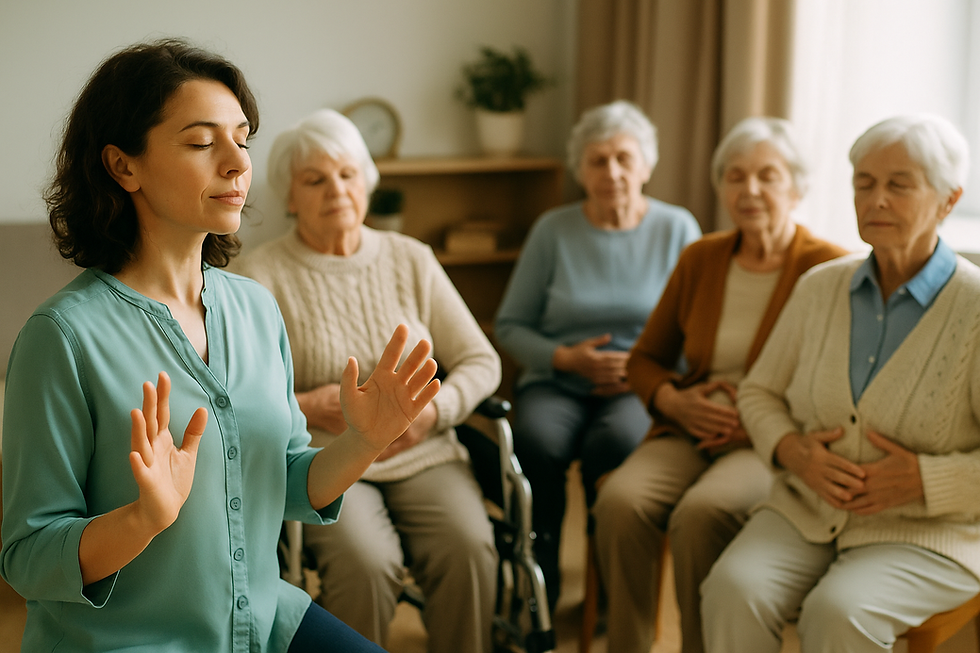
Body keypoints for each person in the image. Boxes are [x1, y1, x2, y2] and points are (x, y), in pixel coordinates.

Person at [0, 39, 441, 653]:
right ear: (123, 166)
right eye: (203, 143)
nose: (237, 163)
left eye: (242, 139)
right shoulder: (63, 338)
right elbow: (26, 558)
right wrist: (141, 519)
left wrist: (363, 442)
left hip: (263, 621)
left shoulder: (254, 306)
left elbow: (284, 480)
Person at [701, 114, 980, 653]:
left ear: (948, 200)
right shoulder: (820, 287)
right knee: (732, 589)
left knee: (839, 613)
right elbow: (759, 393)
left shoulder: (974, 307)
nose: (876, 200)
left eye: (898, 185)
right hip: (806, 510)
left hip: (931, 532)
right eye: (864, 183)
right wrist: (792, 451)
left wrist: (926, 479)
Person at [231, 108, 501, 653]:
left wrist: (435, 412)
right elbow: (234, 394)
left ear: (367, 182)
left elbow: (481, 360)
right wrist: (305, 405)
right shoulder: (259, 276)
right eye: (315, 179)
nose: (336, 189)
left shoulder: (412, 259)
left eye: (347, 173)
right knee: (366, 563)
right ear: (289, 195)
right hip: (328, 459)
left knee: (470, 546)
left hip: (423, 450)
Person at [591, 117, 847, 653]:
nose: (749, 190)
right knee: (619, 499)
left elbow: (836, 386)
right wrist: (673, 401)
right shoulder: (701, 257)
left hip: (766, 441)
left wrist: (758, 421)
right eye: (735, 176)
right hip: (690, 425)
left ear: (796, 188)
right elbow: (646, 359)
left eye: (767, 176)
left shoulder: (829, 269)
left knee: (702, 513)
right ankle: (627, 645)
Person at [493, 100, 702, 610]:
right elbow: (509, 325)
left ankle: (609, 590)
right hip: (556, 380)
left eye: (623, 159)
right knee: (537, 444)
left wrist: (644, 371)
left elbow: (698, 332)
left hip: (639, 387)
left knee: (620, 446)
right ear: (580, 169)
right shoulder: (554, 230)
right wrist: (565, 358)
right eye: (597, 160)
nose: (611, 172)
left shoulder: (678, 230)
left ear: (646, 166)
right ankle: (540, 587)